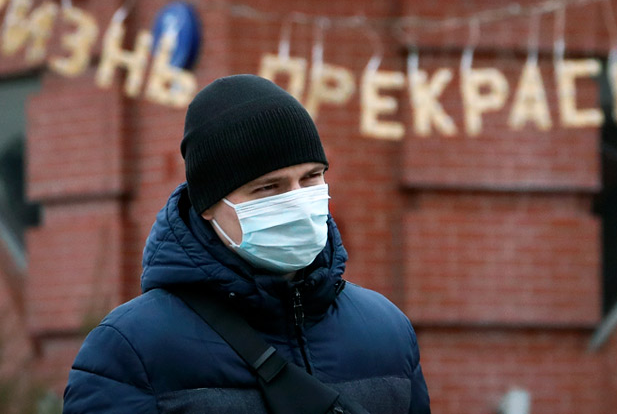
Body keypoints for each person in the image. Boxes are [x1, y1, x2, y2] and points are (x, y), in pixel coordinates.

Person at [63, 74, 431, 413]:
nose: (297, 201)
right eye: (269, 187)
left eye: (311, 177)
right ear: (209, 205)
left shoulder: (388, 332)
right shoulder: (131, 351)